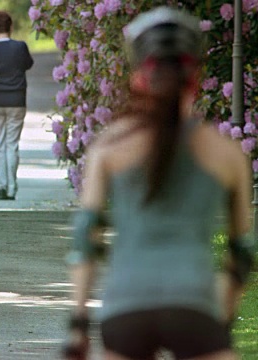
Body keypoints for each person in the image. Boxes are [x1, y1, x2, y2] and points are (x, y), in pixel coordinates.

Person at [64, 7, 254, 360]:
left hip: (126, 306)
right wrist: (220, 323)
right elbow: (241, 253)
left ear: (138, 77)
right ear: (195, 76)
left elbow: (86, 239)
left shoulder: (110, 146)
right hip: (195, 306)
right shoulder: (227, 153)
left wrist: (78, 324)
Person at [0, 11, 33, 200]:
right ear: (10, 26)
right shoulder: (20, 47)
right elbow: (28, 64)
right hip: (16, 100)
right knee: (12, 144)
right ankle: (12, 187)